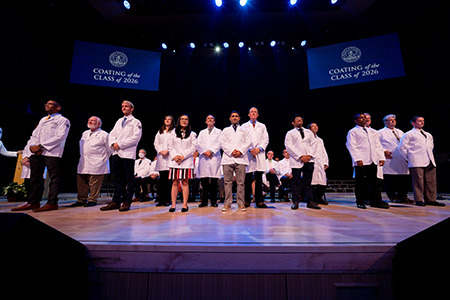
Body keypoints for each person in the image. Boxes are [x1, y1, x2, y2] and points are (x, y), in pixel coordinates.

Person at [11, 100, 70, 212]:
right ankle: (33, 202)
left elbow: (61, 136)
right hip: (37, 152)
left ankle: (52, 203)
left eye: (50, 104)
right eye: (46, 104)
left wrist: (41, 146)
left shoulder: (63, 120)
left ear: (58, 108)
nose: (47, 105)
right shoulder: (43, 119)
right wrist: (33, 146)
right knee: (35, 178)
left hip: (52, 152)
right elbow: (35, 135)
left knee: (54, 178)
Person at [100, 100, 142, 212]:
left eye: (126, 106)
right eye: (122, 106)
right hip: (116, 153)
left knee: (129, 179)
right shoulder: (119, 121)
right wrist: (113, 144)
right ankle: (115, 201)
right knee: (117, 179)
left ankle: (127, 201)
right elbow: (112, 134)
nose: (124, 108)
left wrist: (120, 144)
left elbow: (135, 138)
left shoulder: (136, 122)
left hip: (127, 154)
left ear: (132, 108)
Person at [398, 116, 445, 206]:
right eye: (419, 121)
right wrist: (408, 158)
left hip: (429, 159)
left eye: (423, 121)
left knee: (431, 181)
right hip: (416, 160)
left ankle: (431, 199)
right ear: (413, 123)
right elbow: (401, 148)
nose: (422, 122)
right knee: (418, 181)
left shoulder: (428, 134)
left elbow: (431, 146)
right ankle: (419, 199)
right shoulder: (409, 134)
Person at [346, 113, 389, 209]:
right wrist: (357, 159)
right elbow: (352, 145)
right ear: (356, 120)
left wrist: (381, 157)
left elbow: (377, 145)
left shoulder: (372, 131)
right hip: (361, 160)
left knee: (374, 182)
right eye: (361, 118)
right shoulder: (353, 131)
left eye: (364, 118)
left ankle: (375, 201)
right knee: (360, 182)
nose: (363, 119)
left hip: (373, 159)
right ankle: (360, 201)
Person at [71, 116, 110, 207]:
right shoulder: (85, 133)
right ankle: (81, 199)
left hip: (98, 162)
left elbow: (110, 150)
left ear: (99, 124)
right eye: (89, 120)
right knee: (81, 181)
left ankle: (92, 199)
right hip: (84, 161)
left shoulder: (104, 134)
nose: (90, 121)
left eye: (93, 120)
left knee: (94, 182)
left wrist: (102, 158)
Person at [284, 114, 320, 210]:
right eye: (297, 119)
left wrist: (309, 155)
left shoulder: (309, 132)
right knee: (296, 182)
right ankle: (295, 202)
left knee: (308, 182)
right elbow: (289, 146)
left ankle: (310, 202)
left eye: (301, 119)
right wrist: (300, 156)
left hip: (309, 159)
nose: (299, 120)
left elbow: (314, 144)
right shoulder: (290, 133)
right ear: (293, 122)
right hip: (297, 160)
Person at [219, 111, 252, 212]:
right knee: (227, 182)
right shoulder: (225, 130)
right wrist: (231, 151)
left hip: (241, 158)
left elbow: (248, 142)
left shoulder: (244, 130)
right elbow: (222, 142)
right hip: (228, 158)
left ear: (239, 118)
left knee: (241, 182)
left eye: (236, 116)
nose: (234, 118)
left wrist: (240, 151)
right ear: (230, 118)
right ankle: (227, 204)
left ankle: (241, 204)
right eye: (232, 116)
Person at [378, 114, 411, 203]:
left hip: (401, 158)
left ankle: (403, 196)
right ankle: (392, 196)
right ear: (385, 122)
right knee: (390, 178)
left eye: (394, 119)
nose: (393, 121)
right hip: (389, 158)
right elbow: (376, 144)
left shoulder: (400, 132)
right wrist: (384, 151)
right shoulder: (380, 132)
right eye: (390, 120)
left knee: (403, 178)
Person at [167, 115, 197, 213]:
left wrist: (183, 156)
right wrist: (175, 156)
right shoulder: (173, 133)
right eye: (182, 119)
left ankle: (185, 204)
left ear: (188, 122)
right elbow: (170, 146)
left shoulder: (192, 134)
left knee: (185, 182)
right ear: (179, 121)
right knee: (175, 182)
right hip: (175, 161)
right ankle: (173, 204)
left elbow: (193, 147)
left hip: (186, 161)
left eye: (186, 119)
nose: (184, 121)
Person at [241, 107, 269, 208]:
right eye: (251, 112)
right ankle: (247, 201)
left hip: (259, 154)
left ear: (257, 115)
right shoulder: (244, 126)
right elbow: (242, 139)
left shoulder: (262, 126)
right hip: (248, 154)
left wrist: (258, 149)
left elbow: (265, 139)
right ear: (249, 114)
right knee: (247, 179)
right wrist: (250, 150)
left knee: (258, 178)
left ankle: (259, 201)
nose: (253, 113)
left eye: (255, 112)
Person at [197, 115, 222, 207]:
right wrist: (205, 152)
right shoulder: (202, 132)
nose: (210, 119)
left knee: (214, 183)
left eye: (212, 118)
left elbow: (220, 143)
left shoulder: (219, 132)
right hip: (204, 158)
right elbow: (198, 144)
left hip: (214, 157)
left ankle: (214, 201)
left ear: (214, 121)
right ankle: (203, 202)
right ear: (205, 122)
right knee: (204, 182)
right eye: (208, 118)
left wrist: (211, 151)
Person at [153, 116, 175, 206]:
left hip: (170, 157)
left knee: (169, 181)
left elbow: (175, 143)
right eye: (166, 119)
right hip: (161, 157)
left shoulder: (174, 131)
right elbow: (156, 143)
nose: (167, 120)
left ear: (172, 121)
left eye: (169, 119)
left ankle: (168, 200)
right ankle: (161, 200)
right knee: (161, 180)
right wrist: (160, 151)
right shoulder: (160, 132)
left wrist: (168, 151)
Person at [308, 123, 329, 205]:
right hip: (311, 162)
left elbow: (324, 152)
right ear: (309, 129)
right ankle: (313, 199)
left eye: (316, 126)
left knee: (322, 182)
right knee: (312, 183)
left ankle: (319, 198)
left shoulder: (320, 140)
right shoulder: (307, 139)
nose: (315, 127)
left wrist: (325, 162)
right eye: (313, 126)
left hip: (320, 163)